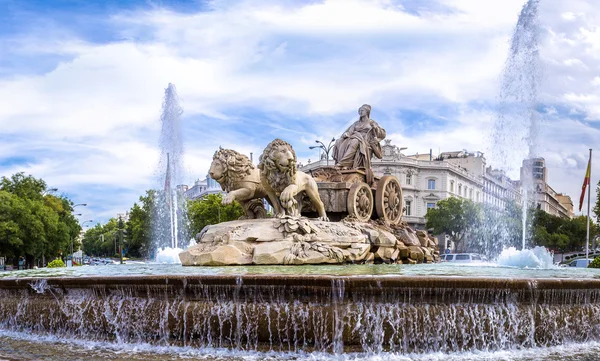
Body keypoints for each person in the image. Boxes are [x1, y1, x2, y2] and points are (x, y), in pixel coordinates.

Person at [332, 104, 386, 171]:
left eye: (362, 110)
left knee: (355, 141)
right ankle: (343, 163)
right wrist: (346, 134)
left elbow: (383, 134)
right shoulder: (356, 123)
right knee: (339, 141)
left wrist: (376, 128)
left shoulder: (371, 122)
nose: (360, 112)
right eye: (359, 111)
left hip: (365, 141)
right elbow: (350, 131)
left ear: (367, 112)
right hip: (355, 136)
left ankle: (343, 163)